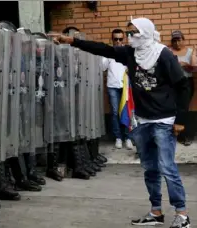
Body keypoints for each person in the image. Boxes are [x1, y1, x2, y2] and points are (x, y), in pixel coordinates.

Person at [49, 18, 191, 228]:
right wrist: (72, 41)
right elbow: (102, 49)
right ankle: (156, 212)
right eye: (129, 32)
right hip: (142, 120)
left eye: (134, 32)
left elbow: (183, 85)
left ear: (146, 33)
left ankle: (182, 215)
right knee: (150, 169)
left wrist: (180, 120)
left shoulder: (163, 54)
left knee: (167, 168)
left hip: (163, 120)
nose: (130, 36)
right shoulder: (130, 53)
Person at [102, 29, 133, 149]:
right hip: (112, 86)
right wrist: (108, 54)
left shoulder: (127, 51)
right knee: (115, 113)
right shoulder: (108, 52)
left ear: (124, 39)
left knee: (127, 111)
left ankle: (128, 138)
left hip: (125, 86)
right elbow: (102, 68)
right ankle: (118, 138)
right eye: (116, 39)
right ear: (112, 40)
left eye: (121, 39)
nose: (118, 41)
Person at [169, 30, 197, 146]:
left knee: (183, 108)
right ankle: (173, 134)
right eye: (174, 40)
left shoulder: (190, 51)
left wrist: (185, 65)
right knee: (173, 108)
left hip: (186, 82)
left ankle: (182, 134)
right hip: (172, 83)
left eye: (179, 40)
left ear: (183, 40)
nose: (177, 43)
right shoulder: (169, 52)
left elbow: (194, 68)